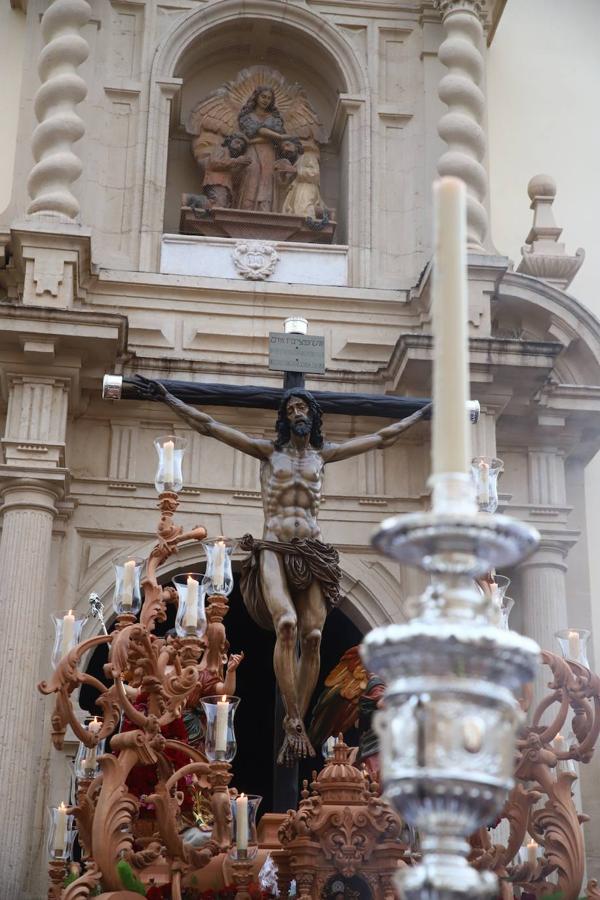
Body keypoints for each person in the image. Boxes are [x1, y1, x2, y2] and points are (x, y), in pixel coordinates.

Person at [138, 378, 430, 764]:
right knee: (288, 624)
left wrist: (424, 413)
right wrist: (168, 397)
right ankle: (293, 722)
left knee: (312, 635)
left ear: (313, 415)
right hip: (274, 547)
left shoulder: (322, 456)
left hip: (311, 550)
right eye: (291, 409)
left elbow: (382, 438)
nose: (297, 414)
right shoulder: (267, 454)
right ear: (284, 417)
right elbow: (209, 425)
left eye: (302, 408)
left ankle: (298, 718)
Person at [237, 86, 297, 212]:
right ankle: (246, 209)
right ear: (256, 97)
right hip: (252, 152)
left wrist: (253, 140)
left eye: (269, 98)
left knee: (267, 178)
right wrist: (279, 136)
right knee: (251, 175)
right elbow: (256, 130)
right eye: (263, 97)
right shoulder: (247, 116)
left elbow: (268, 137)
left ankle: (265, 209)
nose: (266, 100)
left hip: (269, 153)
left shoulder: (275, 119)